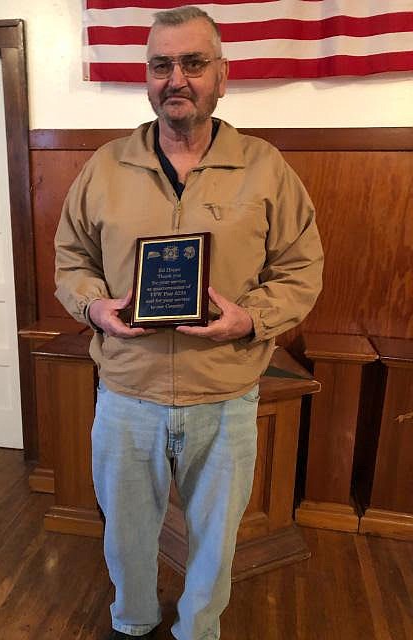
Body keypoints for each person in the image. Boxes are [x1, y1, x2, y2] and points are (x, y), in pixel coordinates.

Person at [54, 6, 323, 640]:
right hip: (127, 393)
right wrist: (94, 306)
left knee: (215, 541)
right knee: (125, 533)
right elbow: (72, 259)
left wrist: (249, 320)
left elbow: (300, 269)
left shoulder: (265, 168)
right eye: (161, 65)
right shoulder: (104, 166)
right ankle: (134, 619)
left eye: (193, 63)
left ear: (222, 77)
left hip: (225, 395)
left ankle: (199, 629)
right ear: (147, 78)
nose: (176, 78)